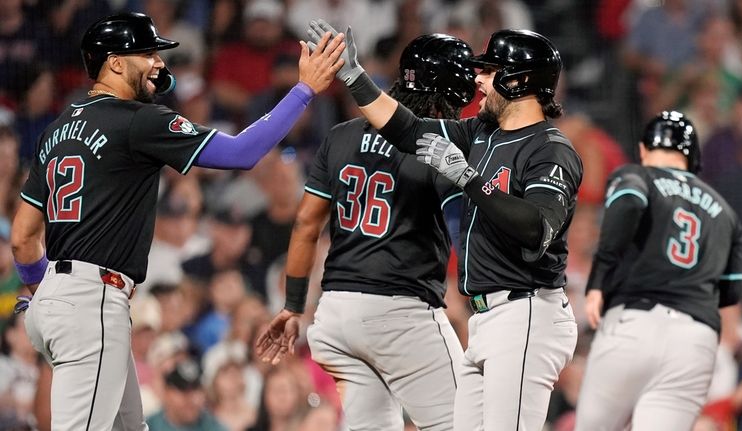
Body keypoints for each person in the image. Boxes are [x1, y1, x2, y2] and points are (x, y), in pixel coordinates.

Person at [9, 11, 344, 430]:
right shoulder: (137, 120)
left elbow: (23, 238)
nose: (159, 63)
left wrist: (49, 291)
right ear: (114, 62)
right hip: (90, 302)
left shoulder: (55, 130)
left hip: (64, 299)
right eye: (147, 53)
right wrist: (304, 90)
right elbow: (241, 152)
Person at [305, 21, 582, 431]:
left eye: (488, 70)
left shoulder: (551, 149)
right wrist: (354, 77)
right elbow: (409, 129)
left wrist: (469, 179)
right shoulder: (481, 133)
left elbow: (537, 227)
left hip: (528, 311)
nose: (477, 78)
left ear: (520, 80)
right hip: (487, 317)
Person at [255, 33, 477, 430]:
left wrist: (292, 306)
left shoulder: (341, 135)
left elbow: (306, 224)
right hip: (400, 312)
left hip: (335, 316)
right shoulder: (439, 142)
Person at [574, 111, 742, 431]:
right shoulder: (725, 210)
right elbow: (731, 292)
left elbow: (627, 203)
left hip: (634, 322)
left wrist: (598, 281)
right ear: (692, 154)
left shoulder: (638, 176)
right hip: (695, 339)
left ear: (643, 149)